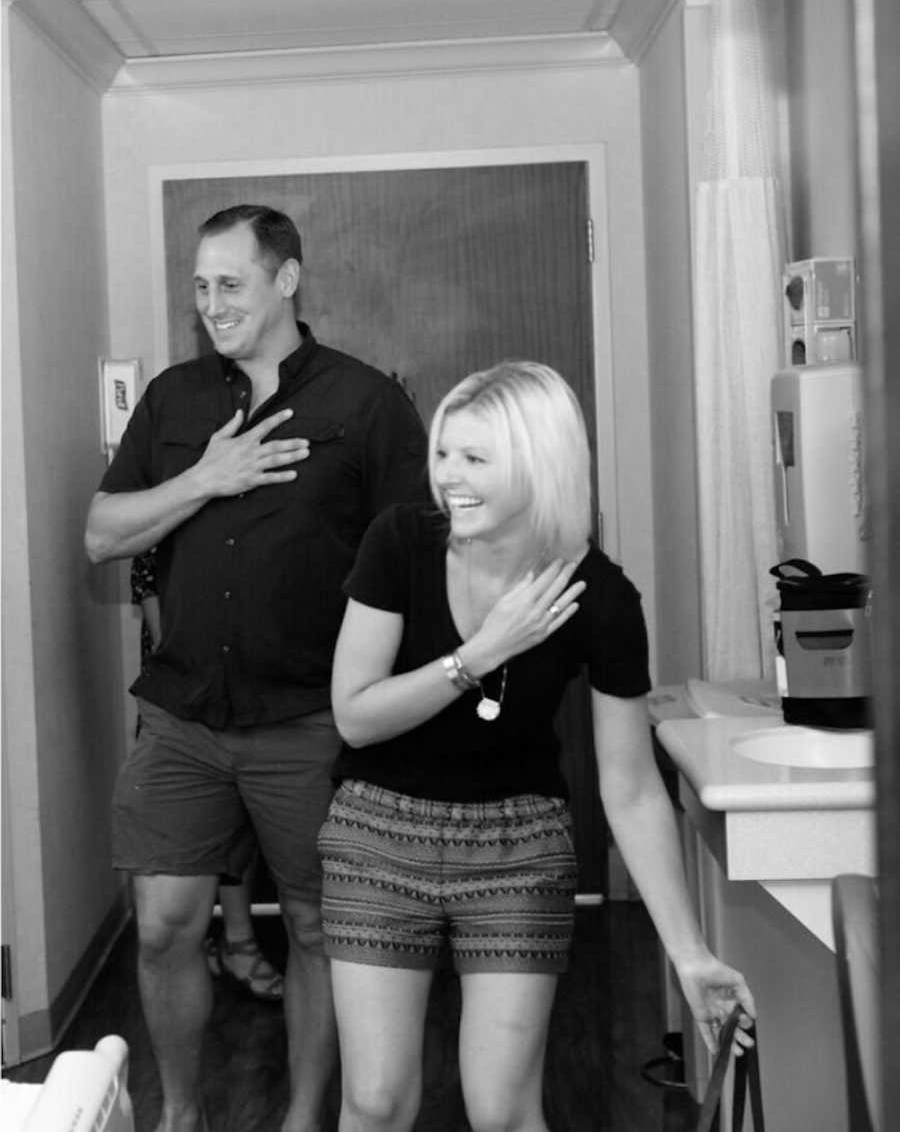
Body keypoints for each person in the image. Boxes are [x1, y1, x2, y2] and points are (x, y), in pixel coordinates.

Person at [318, 360, 757, 1132]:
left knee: (502, 1109)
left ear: (538, 465)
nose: (448, 475)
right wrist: (479, 654)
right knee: (375, 1099)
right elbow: (354, 715)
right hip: (378, 832)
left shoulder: (602, 597)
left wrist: (690, 954)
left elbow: (628, 788)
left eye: (475, 458)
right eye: (445, 453)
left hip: (516, 844)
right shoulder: (398, 544)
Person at [85, 204, 429, 1132]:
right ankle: (184, 1111)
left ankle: (304, 1114)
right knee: (161, 923)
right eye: (199, 287)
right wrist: (206, 476)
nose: (211, 304)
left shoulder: (365, 403)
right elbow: (99, 532)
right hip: (185, 717)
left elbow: (416, 560)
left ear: (287, 279)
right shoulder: (173, 400)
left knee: (318, 929)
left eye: (229, 283)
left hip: (311, 722)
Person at [131, 548, 283, 1003]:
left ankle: (239, 942)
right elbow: (153, 604)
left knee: (239, 823)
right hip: (182, 698)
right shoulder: (164, 501)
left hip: (249, 696)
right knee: (185, 847)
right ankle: (217, 949)